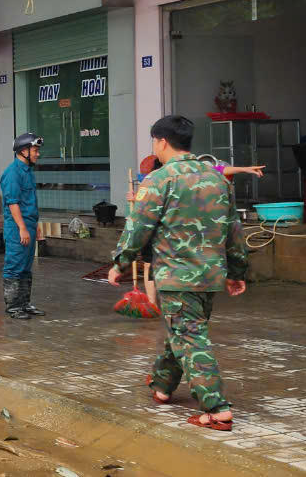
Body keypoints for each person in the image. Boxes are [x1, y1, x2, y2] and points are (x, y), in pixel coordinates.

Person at [109, 115, 248, 432]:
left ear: (160, 142)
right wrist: (237, 270)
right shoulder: (217, 179)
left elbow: (138, 229)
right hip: (210, 276)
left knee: (189, 336)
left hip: (176, 276)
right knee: (186, 331)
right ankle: (162, 386)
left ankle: (217, 409)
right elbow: (234, 231)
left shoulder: (158, 180)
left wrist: (120, 263)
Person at [0, 133, 44, 320]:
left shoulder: (27, 171)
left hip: (29, 225)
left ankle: (24, 304)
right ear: (23, 151)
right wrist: (22, 228)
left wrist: (35, 226)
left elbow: (29, 202)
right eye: (35, 150)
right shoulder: (12, 173)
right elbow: (13, 203)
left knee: (26, 267)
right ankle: (13, 307)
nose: (37, 154)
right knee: (15, 266)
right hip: (17, 227)